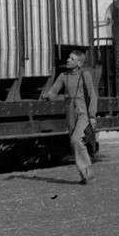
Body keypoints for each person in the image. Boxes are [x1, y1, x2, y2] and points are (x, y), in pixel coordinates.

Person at [41, 51, 98, 184]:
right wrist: (47, 96)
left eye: (72, 59)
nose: (68, 60)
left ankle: (88, 172)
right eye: (68, 57)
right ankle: (85, 176)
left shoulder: (85, 75)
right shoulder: (63, 76)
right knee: (74, 144)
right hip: (70, 113)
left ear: (79, 63)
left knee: (75, 139)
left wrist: (92, 115)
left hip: (82, 113)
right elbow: (54, 91)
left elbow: (92, 95)